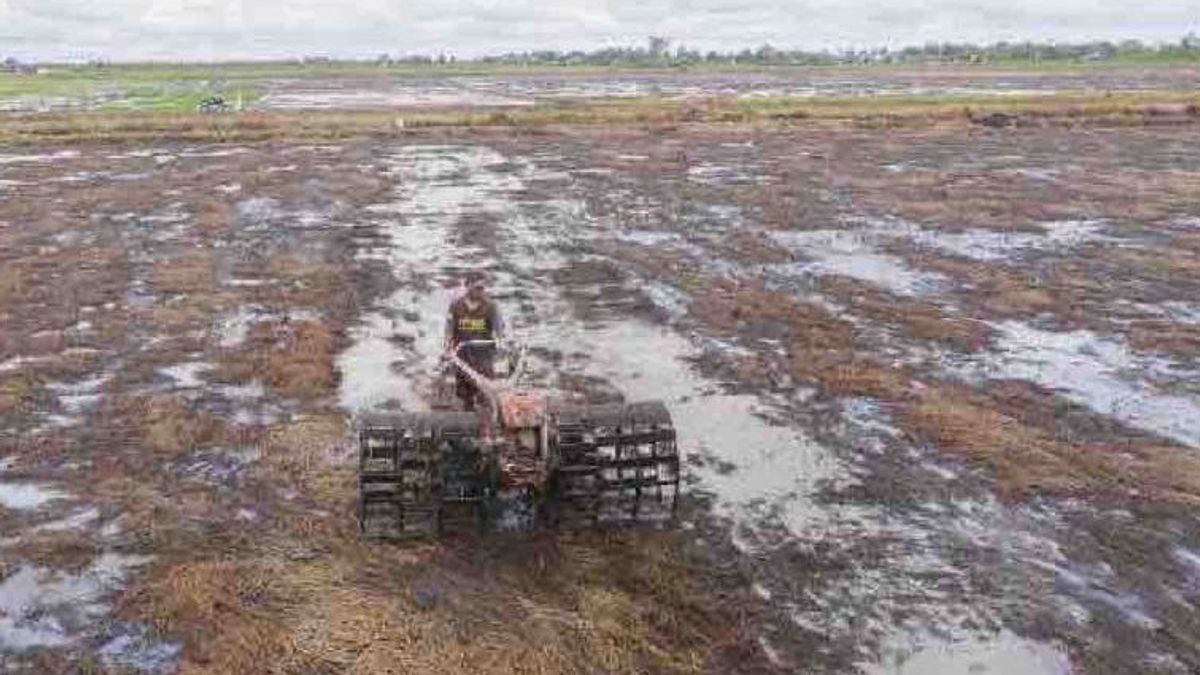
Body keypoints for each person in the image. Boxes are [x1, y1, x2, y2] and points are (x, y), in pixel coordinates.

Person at [444, 271, 503, 410]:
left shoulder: (491, 306)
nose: (480, 291)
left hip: (483, 351)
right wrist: (447, 343)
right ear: (467, 286)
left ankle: (486, 407)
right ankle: (467, 406)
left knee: (486, 383)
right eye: (477, 288)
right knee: (463, 385)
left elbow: (498, 326)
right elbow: (449, 326)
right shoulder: (456, 305)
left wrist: (499, 339)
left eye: (482, 288)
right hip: (462, 350)